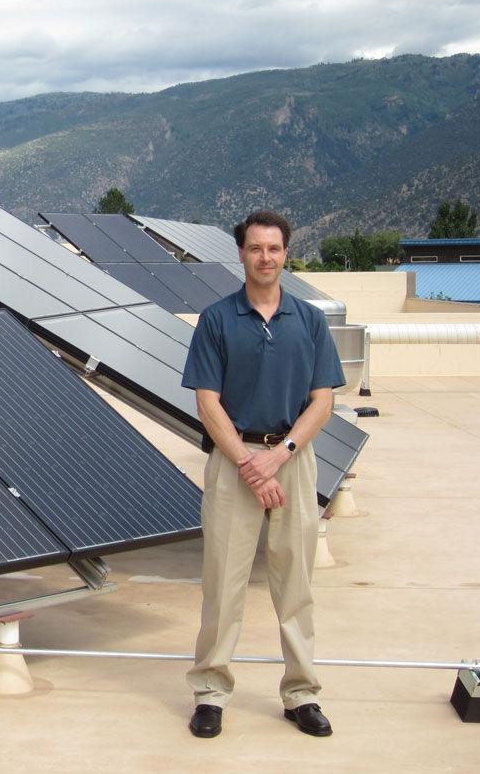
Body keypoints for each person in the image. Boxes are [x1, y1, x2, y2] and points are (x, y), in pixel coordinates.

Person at [180, 210, 345, 739]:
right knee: (222, 584)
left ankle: (300, 694)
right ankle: (210, 692)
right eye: (256, 248)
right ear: (242, 254)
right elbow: (208, 403)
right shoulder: (217, 320)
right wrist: (252, 465)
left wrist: (281, 454)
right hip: (234, 463)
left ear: (286, 253)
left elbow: (323, 401)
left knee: (295, 583)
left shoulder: (310, 321)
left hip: (293, 461)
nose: (266, 257)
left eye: (274, 249)